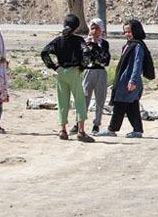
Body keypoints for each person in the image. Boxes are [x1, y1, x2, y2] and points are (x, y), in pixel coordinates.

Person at [40, 14, 95, 142]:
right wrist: (82, 66)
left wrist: (54, 67)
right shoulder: (78, 40)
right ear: (76, 28)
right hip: (74, 72)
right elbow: (86, 53)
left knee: (62, 101)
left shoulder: (58, 40)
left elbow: (44, 52)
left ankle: (63, 130)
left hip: (61, 73)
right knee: (79, 101)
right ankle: (81, 131)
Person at [98, 18, 148, 138]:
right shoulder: (129, 45)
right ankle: (137, 130)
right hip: (124, 81)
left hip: (129, 82)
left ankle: (112, 129)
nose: (127, 34)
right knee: (132, 105)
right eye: (125, 32)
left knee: (120, 104)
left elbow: (137, 64)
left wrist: (133, 81)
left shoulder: (137, 46)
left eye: (129, 31)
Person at [82, 18, 111, 134]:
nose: (94, 31)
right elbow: (84, 58)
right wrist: (90, 45)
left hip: (100, 72)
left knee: (100, 99)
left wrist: (96, 46)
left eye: (97, 28)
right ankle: (80, 122)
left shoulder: (104, 43)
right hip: (88, 71)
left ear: (101, 30)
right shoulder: (85, 42)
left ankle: (96, 124)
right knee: (84, 97)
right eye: (92, 28)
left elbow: (105, 60)